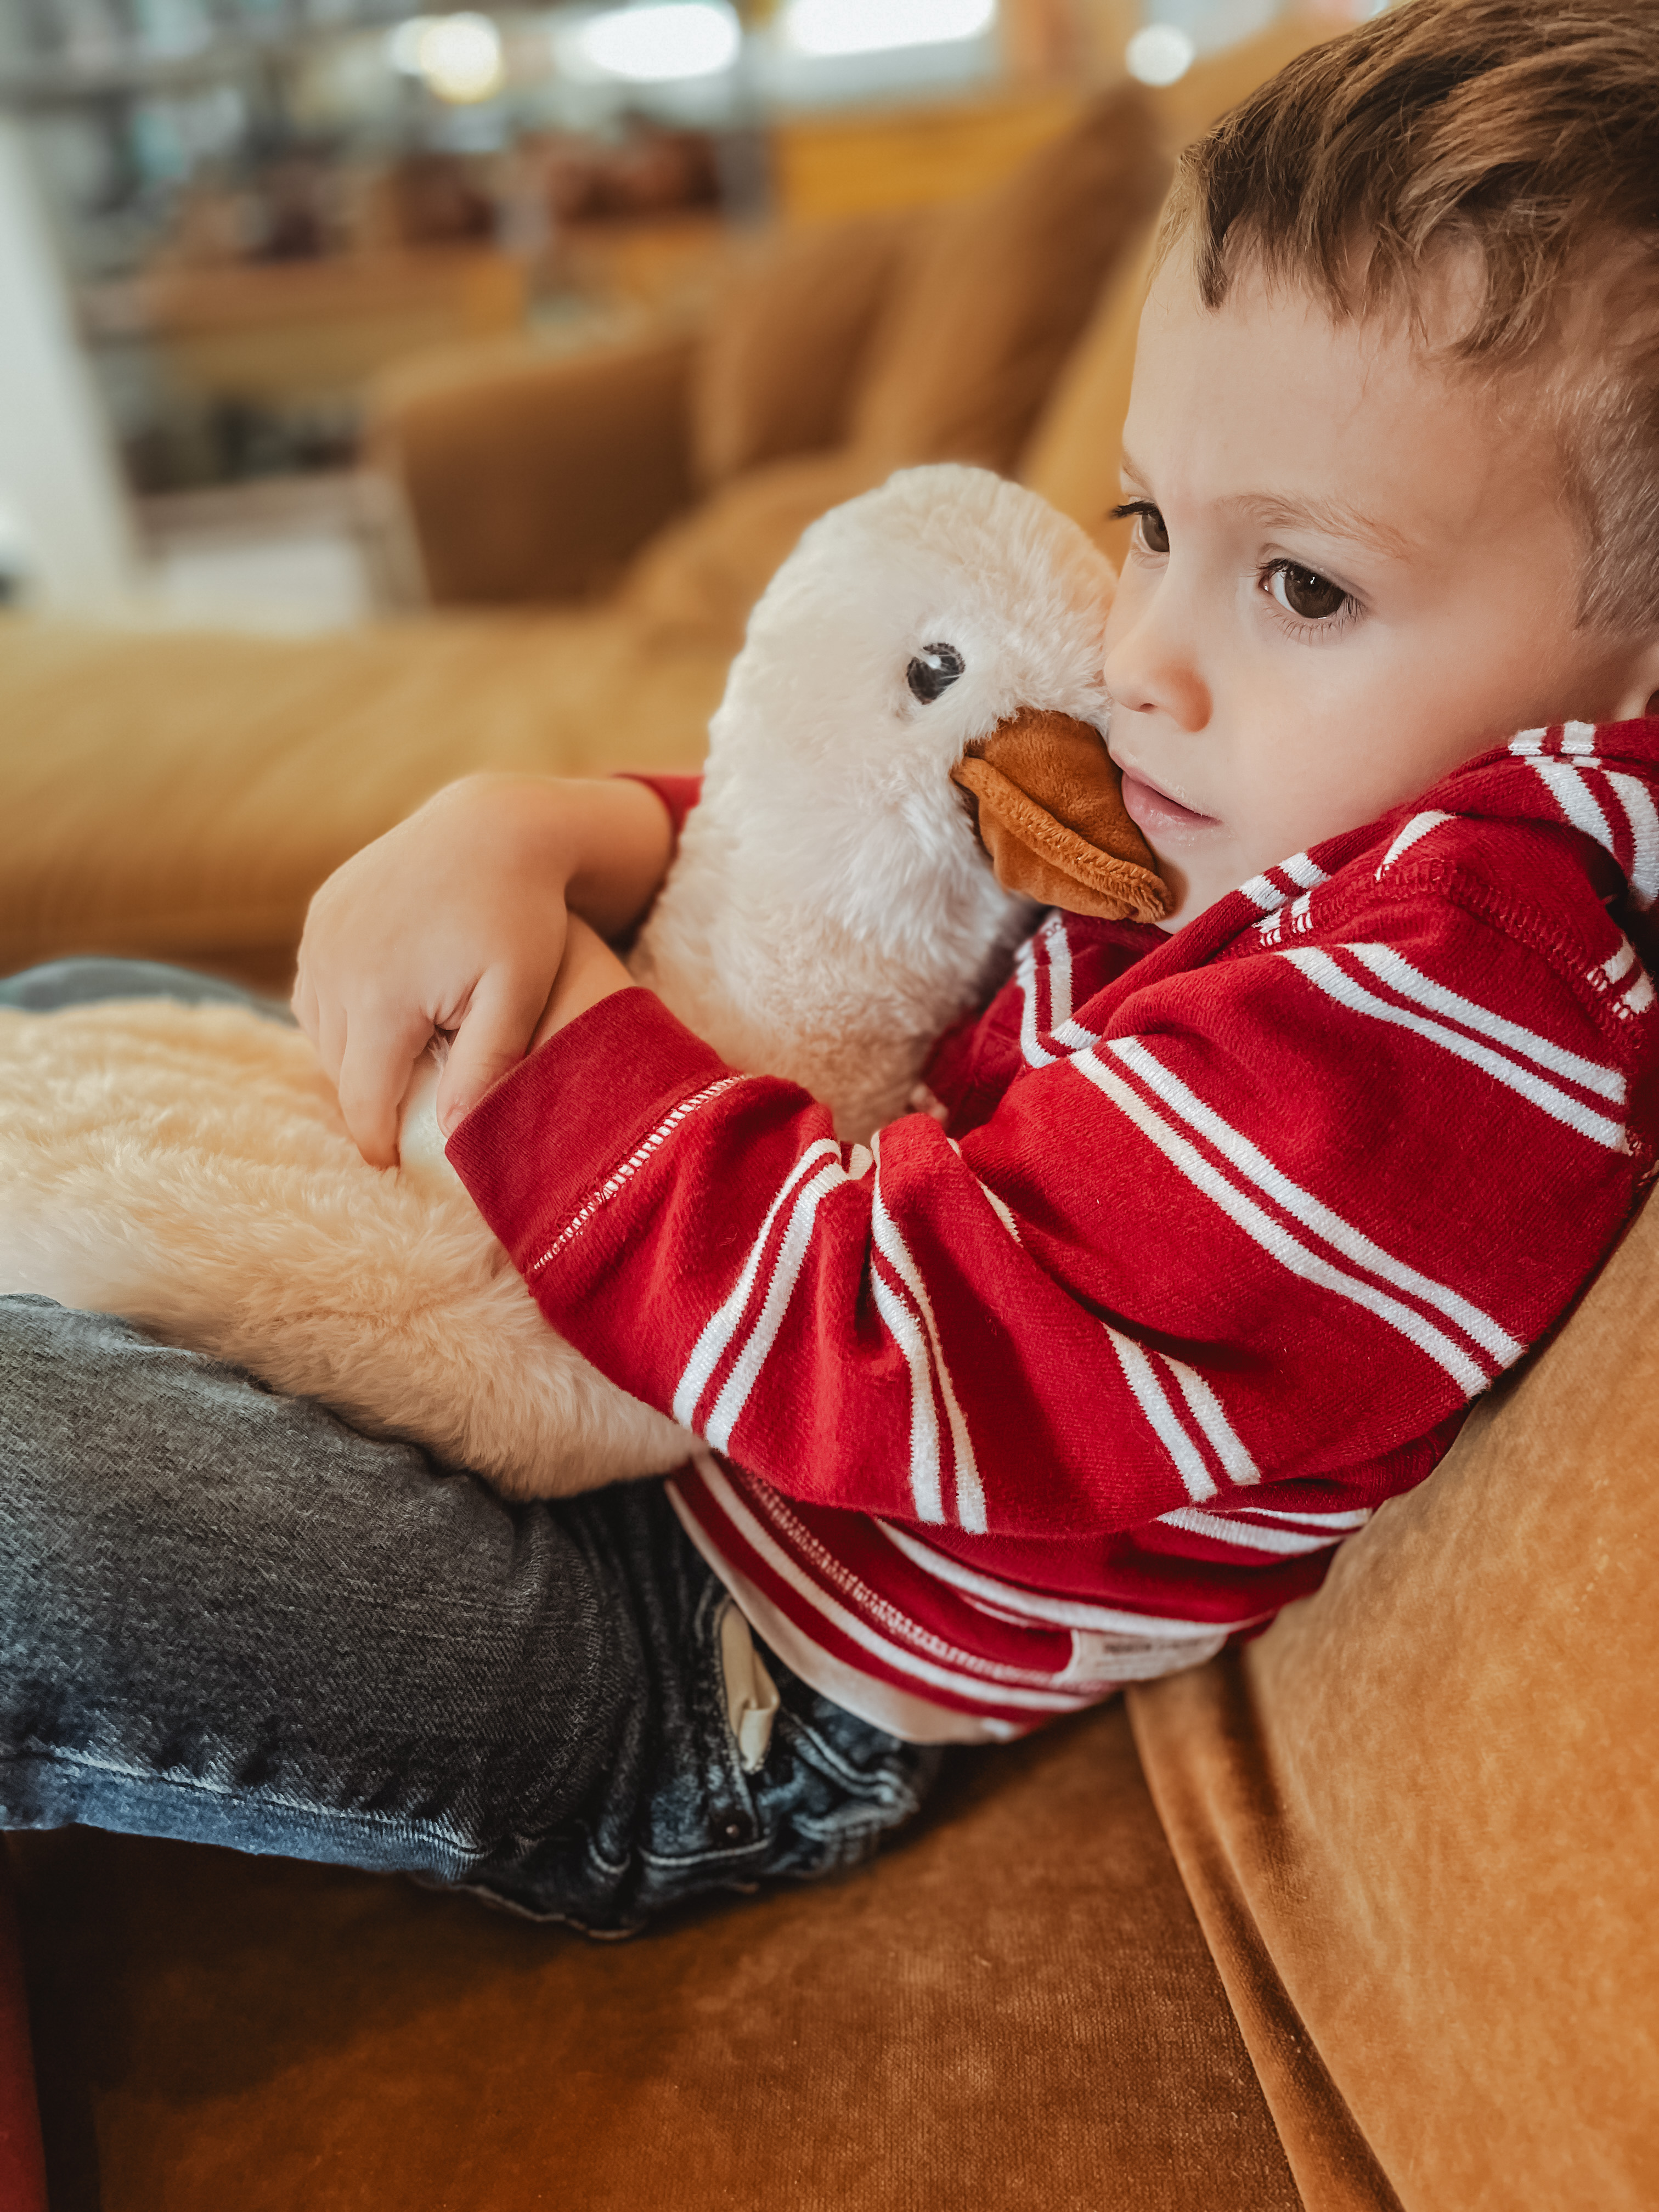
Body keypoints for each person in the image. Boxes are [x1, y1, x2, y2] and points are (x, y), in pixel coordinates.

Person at [7, 0, 1659, 1930]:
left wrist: (562, 1031)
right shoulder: (1310, 800)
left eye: (1303, 583)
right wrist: (556, 830)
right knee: (75, 1020)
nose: (1141, 658)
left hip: (703, 1653)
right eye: (1150, 528)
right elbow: (899, 848)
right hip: (647, 1412)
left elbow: (894, 1345)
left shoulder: (1455, 1001)